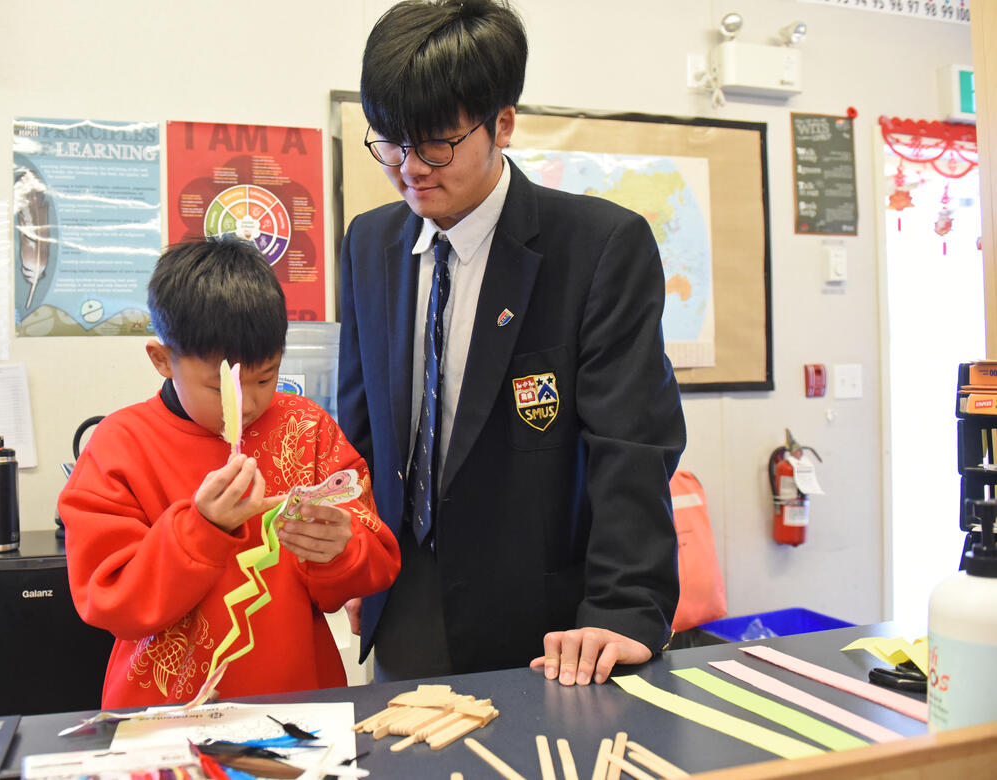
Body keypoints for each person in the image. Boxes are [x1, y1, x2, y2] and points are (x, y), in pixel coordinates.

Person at [338, 0, 687, 687]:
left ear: (502, 123)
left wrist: (622, 609)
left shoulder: (597, 248)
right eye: (389, 141)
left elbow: (633, 447)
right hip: (401, 601)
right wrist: (354, 557)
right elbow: (361, 425)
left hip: (550, 628)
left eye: (436, 143)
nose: (410, 168)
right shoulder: (370, 243)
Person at [60, 236, 401, 708]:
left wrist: (340, 552)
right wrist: (200, 531)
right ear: (162, 360)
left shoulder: (306, 428)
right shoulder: (119, 446)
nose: (250, 403)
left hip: (299, 702)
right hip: (165, 714)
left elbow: (376, 560)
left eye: (266, 377)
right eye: (223, 387)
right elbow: (109, 600)